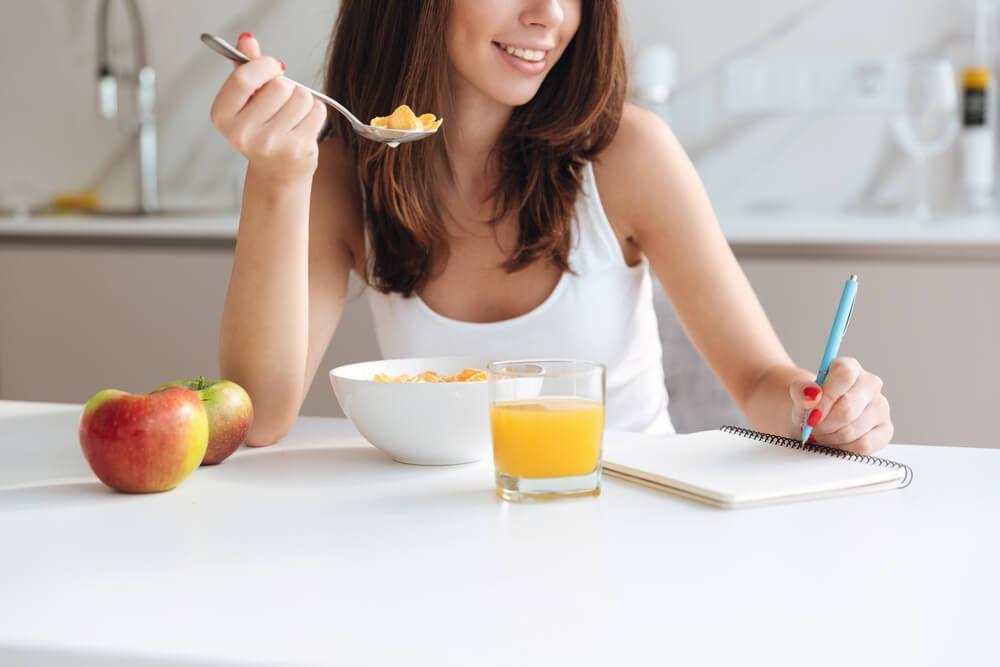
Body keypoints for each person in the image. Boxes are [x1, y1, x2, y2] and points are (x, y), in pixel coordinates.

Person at [209, 0, 893, 453]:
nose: (552, 15)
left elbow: (763, 383)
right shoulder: (339, 173)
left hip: (632, 532)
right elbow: (261, 415)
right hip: (442, 542)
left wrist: (824, 412)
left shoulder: (629, 156)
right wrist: (275, 178)